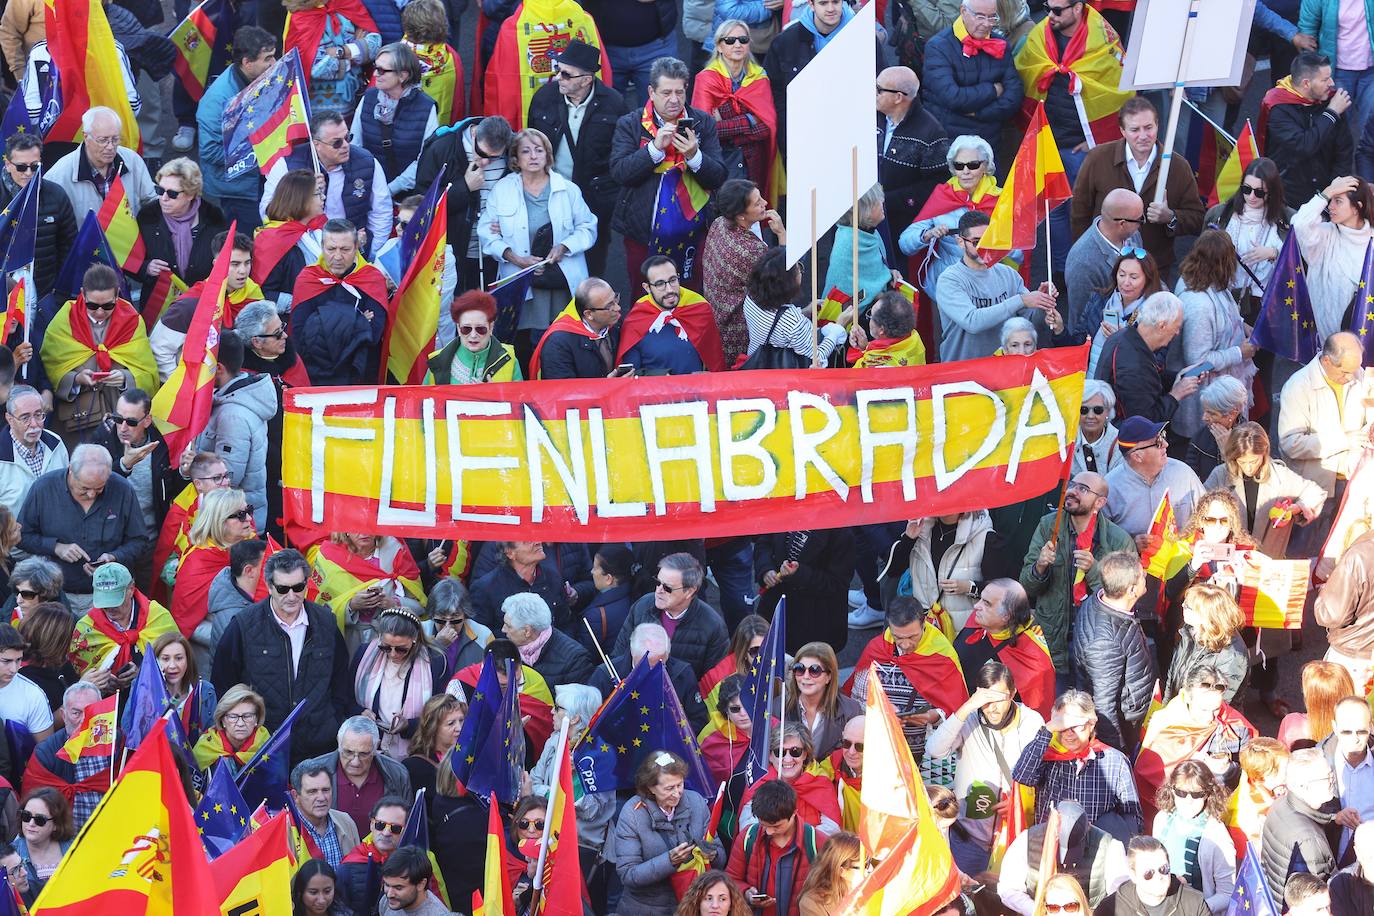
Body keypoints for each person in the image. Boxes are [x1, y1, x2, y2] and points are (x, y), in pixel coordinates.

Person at [1014, 0, 1131, 274]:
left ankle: (1083, 269)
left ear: (1077, 8)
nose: (1049, 15)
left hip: (1081, 148)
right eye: (1046, 7)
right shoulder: (1039, 37)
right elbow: (1023, 72)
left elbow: (1119, 91)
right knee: (1052, 211)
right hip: (1048, 142)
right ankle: (1061, 270)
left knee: (1083, 211)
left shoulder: (1103, 39)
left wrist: (1094, 142)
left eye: (1057, 10)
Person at [212, 549, 358, 765]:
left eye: (298, 587)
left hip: (319, 745)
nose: (292, 596)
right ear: (270, 587)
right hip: (263, 747)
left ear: (306, 584)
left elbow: (340, 680)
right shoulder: (243, 625)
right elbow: (223, 683)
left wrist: (334, 719)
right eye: (283, 589)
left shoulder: (326, 623)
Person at [478, 128, 598, 359]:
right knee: (522, 346)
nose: (533, 156)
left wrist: (564, 246)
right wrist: (515, 257)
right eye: (526, 151)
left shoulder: (568, 189)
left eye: (538, 150)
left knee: (561, 340)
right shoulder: (502, 190)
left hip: (560, 281)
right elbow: (487, 232)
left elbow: (588, 227)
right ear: (515, 158)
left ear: (547, 155)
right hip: (519, 281)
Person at [608, 56, 726, 289]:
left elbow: (719, 176)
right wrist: (653, 150)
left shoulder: (702, 123)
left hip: (695, 232)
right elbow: (620, 173)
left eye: (679, 92)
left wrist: (694, 155)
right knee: (644, 295)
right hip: (643, 232)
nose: (674, 100)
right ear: (651, 92)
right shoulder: (630, 124)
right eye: (666, 93)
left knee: (692, 293)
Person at [928, 660, 1046, 876]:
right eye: (986, 699)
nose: (992, 708)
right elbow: (935, 750)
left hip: (1014, 836)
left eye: (999, 698)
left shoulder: (1032, 722)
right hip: (969, 839)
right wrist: (967, 708)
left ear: (1012, 694)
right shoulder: (969, 719)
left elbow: (1044, 775)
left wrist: (1018, 803)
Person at [526, 40, 627, 279]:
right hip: (550, 192)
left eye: (566, 74)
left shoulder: (614, 105)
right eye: (558, 70)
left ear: (587, 78)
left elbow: (621, 153)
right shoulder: (544, 98)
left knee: (593, 254)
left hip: (594, 195)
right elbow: (531, 142)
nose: (558, 77)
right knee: (546, 252)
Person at [1070, 98, 1205, 272]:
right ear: (1122, 131)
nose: (1143, 136)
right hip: (1104, 267)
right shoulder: (1098, 158)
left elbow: (1197, 218)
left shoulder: (1178, 166)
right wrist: (1086, 258)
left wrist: (1170, 217)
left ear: (1157, 125)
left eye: (1148, 128)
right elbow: (1079, 213)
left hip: (1154, 269)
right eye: (1135, 129)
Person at [1021, 472, 1134, 679]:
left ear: (1099, 502)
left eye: (1083, 489)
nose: (1072, 491)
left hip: (1097, 646)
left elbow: (1126, 599)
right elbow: (1027, 587)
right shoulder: (1049, 526)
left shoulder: (1118, 541)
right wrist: (1039, 566)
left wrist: (1093, 570)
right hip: (1054, 644)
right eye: (1072, 484)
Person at [19, 449, 150, 612]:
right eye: (85, 488)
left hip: (110, 597)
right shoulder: (44, 488)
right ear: (71, 470)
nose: (91, 494)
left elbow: (139, 540)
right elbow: (21, 536)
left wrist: (114, 557)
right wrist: (56, 547)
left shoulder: (122, 489)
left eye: (99, 488)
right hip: (56, 598)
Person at [39, 264, 159, 438]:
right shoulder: (65, 319)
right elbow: (49, 368)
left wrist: (126, 379)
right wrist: (76, 379)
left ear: (118, 294)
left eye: (108, 306)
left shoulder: (132, 320)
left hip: (120, 419)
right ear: (82, 293)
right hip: (78, 419)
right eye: (93, 306)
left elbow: (148, 372)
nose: (100, 312)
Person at [845, 597, 969, 763]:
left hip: (928, 756)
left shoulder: (942, 656)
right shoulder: (877, 649)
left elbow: (959, 711)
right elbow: (857, 698)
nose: (905, 644)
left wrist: (934, 716)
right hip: (879, 750)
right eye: (898, 637)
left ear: (924, 623)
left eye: (912, 636)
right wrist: (879, 714)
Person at [1279, 332, 1373, 546]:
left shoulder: (1357, 375)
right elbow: (1290, 443)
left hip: (1353, 481)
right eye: (1345, 372)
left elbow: (1368, 418)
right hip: (1316, 487)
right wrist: (1344, 440)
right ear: (1327, 360)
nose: (1351, 377)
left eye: (1355, 369)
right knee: (1306, 551)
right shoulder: (1298, 386)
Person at [1012, 690, 1144, 840]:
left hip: (1096, 848)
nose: (1069, 733)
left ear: (1091, 724)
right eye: (1062, 726)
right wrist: (1048, 729)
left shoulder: (1115, 761)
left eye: (1076, 725)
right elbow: (1022, 776)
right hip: (1051, 846)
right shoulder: (1046, 755)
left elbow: (1133, 817)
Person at [935, 210, 1061, 362]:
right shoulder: (949, 280)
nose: (984, 248)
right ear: (960, 242)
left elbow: (1028, 323)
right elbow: (972, 322)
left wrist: (1041, 305)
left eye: (989, 240)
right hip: (963, 372)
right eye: (976, 242)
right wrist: (1022, 300)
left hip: (1004, 369)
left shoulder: (1008, 274)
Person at [1137, 665, 1256, 825]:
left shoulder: (1233, 724)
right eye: (1203, 709)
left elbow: (1250, 769)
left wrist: (1228, 770)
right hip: (1173, 811)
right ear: (1187, 697)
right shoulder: (1164, 722)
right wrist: (1191, 767)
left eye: (1216, 709)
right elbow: (1148, 771)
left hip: (1216, 813)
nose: (1209, 717)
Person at [262, 112, 392, 256]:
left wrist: (371, 254)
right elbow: (267, 212)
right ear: (316, 144)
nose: (345, 146)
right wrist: (306, 195)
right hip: (304, 251)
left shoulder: (367, 162)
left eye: (347, 138)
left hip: (353, 253)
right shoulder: (287, 164)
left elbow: (382, 213)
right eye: (336, 142)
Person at [615, 751, 725, 916]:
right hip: (646, 907)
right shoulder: (632, 813)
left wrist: (712, 854)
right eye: (669, 788)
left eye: (680, 785)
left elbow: (721, 859)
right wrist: (669, 861)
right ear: (650, 788)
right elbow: (628, 875)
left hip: (689, 905)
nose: (677, 793)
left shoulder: (695, 802)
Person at [1173, 232, 1256, 443]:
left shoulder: (1206, 280)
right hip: (1203, 405)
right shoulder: (1198, 304)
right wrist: (1240, 353)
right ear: (1222, 263)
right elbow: (1197, 361)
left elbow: (1226, 314)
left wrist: (1242, 325)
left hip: (1218, 391)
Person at [1070, 551, 1157, 751]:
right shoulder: (1104, 643)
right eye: (1142, 575)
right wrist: (1117, 754)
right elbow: (1104, 707)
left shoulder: (1100, 598)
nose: (1146, 577)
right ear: (1132, 590)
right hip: (1127, 723)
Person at [415, 115, 514, 290]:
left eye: (494, 158)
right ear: (475, 134)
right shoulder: (442, 147)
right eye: (482, 153)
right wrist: (465, 187)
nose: (485, 162)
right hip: (452, 254)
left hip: (497, 255)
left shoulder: (512, 151)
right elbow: (423, 203)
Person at [149, 231, 265, 378]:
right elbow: (159, 352)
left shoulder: (252, 295)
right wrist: (184, 390)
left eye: (247, 263)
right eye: (234, 264)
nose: (243, 271)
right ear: (217, 265)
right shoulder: (190, 304)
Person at [288, 220, 390, 386]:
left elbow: (373, 335)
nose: (337, 257)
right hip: (316, 374)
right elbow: (300, 335)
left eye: (345, 249)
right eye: (331, 249)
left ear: (356, 246)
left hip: (359, 374)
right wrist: (357, 320)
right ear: (322, 246)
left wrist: (321, 321)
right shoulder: (308, 279)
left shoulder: (371, 278)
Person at [196, 27, 279, 232]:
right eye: (267, 58)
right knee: (249, 241)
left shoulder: (262, 77)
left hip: (260, 178)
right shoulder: (217, 101)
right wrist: (261, 152)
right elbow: (210, 151)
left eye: (274, 56)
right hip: (237, 190)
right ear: (247, 63)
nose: (274, 63)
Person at [762, 0, 864, 156]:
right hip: (801, 134)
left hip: (849, 131)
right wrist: (786, 129)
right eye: (823, 3)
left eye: (836, 2)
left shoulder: (861, 36)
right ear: (811, 4)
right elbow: (773, 90)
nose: (831, 9)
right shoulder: (786, 41)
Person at [700, 180, 782, 367]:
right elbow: (783, 283)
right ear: (741, 215)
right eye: (757, 203)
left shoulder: (719, 223)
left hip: (715, 324)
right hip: (740, 335)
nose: (765, 203)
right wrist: (782, 235)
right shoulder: (752, 250)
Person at [921, 0, 1023, 151]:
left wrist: (978, 112)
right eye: (980, 17)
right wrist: (993, 90)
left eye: (992, 17)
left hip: (989, 143)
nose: (987, 24)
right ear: (963, 11)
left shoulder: (1000, 43)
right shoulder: (938, 47)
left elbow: (1014, 96)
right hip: (950, 144)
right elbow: (953, 97)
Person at [612, 552, 728, 682]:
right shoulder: (642, 606)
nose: (659, 590)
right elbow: (620, 655)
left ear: (689, 591)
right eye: (658, 582)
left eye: (667, 588)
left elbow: (712, 684)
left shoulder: (713, 626)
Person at [349, 608, 447, 759]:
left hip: (417, 752)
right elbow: (344, 698)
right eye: (385, 647)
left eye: (401, 649)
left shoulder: (435, 662)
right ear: (380, 637)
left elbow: (443, 711)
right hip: (370, 750)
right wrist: (360, 712)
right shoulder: (364, 653)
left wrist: (410, 725)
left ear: (415, 640)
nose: (393, 654)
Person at [998, 801, 1128, 914]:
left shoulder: (1110, 847)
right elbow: (1008, 889)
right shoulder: (1026, 841)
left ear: (1088, 828)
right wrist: (1038, 911)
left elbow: (1120, 895)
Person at [293, 717, 413, 840]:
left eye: (364, 754)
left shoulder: (397, 774)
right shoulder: (314, 772)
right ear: (339, 742)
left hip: (383, 857)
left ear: (376, 747)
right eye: (348, 752)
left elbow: (408, 828)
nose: (355, 762)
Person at [1260, 52, 1355, 205]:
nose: (1331, 83)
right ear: (1306, 83)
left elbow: (1344, 150)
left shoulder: (1332, 100)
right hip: (1289, 197)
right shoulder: (1278, 107)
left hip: (1328, 192)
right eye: (1325, 79)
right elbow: (1303, 145)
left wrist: (1335, 190)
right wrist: (1331, 113)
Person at [693, 21, 777, 193]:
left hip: (753, 162)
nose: (737, 44)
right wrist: (750, 120)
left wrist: (726, 126)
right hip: (721, 161)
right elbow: (705, 130)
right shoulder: (706, 79)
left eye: (743, 39)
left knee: (753, 212)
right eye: (730, 40)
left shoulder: (759, 77)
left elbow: (766, 128)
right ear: (719, 46)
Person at [1095, 292, 1202, 426]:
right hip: (1124, 442)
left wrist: (1178, 377)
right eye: (1176, 327)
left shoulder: (1123, 336)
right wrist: (1176, 394)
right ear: (1162, 326)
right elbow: (1144, 423)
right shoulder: (1134, 367)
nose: (1177, 333)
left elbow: (1148, 379)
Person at [952, 579, 1054, 719]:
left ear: (1007, 615)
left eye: (986, 603)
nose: (976, 606)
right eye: (981, 599)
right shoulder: (978, 623)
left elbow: (1036, 715)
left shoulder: (1033, 659)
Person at [134, 158, 227, 307]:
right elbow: (130, 260)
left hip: (203, 304)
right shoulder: (147, 217)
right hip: (158, 308)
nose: (163, 198)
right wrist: (146, 267)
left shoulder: (214, 218)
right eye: (159, 190)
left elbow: (225, 265)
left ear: (191, 194)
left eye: (172, 194)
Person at [726, 778, 825, 916]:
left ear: (794, 813)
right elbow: (730, 880)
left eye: (776, 826)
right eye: (764, 825)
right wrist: (746, 893)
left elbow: (829, 890)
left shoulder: (817, 842)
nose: (769, 832)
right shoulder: (747, 837)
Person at [874, 67, 951, 242]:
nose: (874, 93)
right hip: (865, 216)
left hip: (899, 225)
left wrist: (887, 201)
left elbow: (935, 184)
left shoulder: (931, 133)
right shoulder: (868, 117)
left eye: (879, 89)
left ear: (898, 97)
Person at [89, 389, 180, 536]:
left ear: (147, 421)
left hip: (153, 537)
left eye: (131, 422)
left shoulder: (162, 443)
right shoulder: (103, 437)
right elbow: (89, 485)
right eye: (118, 419)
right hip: (112, 538)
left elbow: (173, 491)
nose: (123, 428)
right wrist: (123, 466)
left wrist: (185, 474)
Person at [350, 43, 438, 197]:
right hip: (368, 191)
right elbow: (354, 146)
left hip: (406, 200)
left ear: (402, 76)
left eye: (382, 70)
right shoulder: (368, 98)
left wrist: (389, 190)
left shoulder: (426, 107)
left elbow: (424, 161)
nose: (375, 74)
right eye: (375, 67)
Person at [1102, 417, 1207, 544]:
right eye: (1157, 442)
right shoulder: (1110, 487)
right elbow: (1102, 539)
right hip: (1133, 561)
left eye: (1162, 436)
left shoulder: (1184, 473)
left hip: (1186, 559)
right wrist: (1130, 544)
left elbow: (1208, 515)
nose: (1165, 444)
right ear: (1137, 456)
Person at [1150, 760, 1237, 914]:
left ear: (1207, 795)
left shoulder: (1217, 836)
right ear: (1171, 790)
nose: (1188, 800)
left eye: (1197, 794)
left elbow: (1227, 893)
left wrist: (1195, 910)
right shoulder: (1162, 819)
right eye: (1181, 793)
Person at [1205, 158, 1293, 307]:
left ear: (1271, 192)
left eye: (1259, 192)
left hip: (1263, 304)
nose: (1251, 196)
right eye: (1246, 189)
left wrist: (1274, 253)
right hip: (1220, 298)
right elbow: (1201, 257)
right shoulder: (1220, 214)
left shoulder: (1288, 220)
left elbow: (1299, 263)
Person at [617, 255, 727, 375]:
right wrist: (660, 377)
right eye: (660, 284)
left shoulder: (699, 308)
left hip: (697, 391)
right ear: (647, 288)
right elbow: (630, 376)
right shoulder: (636, 320)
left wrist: (709, 376)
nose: (669, 289)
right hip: (656, 392)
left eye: (673, 280)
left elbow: (715, 361)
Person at [1294, 177, 1374, 340]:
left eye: (1338, 201)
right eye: (1330, 201)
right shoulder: (1323, 236)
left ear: (1357, 207)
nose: (1330, 206)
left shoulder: (1372, 238)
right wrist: (1326, 193)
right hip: (1328, 347)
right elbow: (1300, 224)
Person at [44, 107, 155, 222]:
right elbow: (50, 223)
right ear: (86, 137)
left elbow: (151, 203)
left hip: (129, 239)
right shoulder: (58, 175)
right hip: (84, 240)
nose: (110, 146)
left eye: (115, 139)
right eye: (103, 140)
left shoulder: (133, 161)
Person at [755, 525, 855, 652]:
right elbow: (764, 542)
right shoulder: (783, 508)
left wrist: (800, 574)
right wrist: (766, 569)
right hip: (775, 613)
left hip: (813, 624)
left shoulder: (840, 530)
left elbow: (837, 583)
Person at [743, 246, 849, 365]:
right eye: (798, 270)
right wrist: (837, 328)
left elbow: (778, 323)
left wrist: (806, 311)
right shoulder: (793, 320)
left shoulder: (751, 297)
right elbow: (818, 356)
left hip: (756, 361)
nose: (801, 272)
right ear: (787, 283)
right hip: (784, 373)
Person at [0, 135, 75, 298]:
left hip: (45, 294)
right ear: (7, 165)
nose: (28, 173)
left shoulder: (57, 195)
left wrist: (59, 293)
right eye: (21, 167)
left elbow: (69, 249)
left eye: (35, 166)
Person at [1260, 747, 1340, 898]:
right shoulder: (1308, 839)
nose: (1333, 781)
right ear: (1303, 786)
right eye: (1327, 778)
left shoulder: (1280, 804)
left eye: (1332, 775)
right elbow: (1315, 896)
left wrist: (1333, 819)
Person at [23, 682, 106, 826]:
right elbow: (33, 807)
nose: (84, 721)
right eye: (76, 713)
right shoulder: (46, 752)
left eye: (91, 712)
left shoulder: (117, 746)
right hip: (64, 838)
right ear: (63, 714)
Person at [1065, 189, 1146, 329]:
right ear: (1122, 224)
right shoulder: (1083, 265)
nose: (1142, 222)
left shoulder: (1132, 235)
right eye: (1140, 219)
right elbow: (1081, 323)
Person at [1165, 582, 1249, 704]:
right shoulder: (1189, 631)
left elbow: (1216, 704)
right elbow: (1172, 674)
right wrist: (1166, 706)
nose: (1182, 605)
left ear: (1205, 615)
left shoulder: (1233, 656)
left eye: (1188, 606)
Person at [528, 278, 624, 380]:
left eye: (615, 299)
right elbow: (561, 390)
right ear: (589, 314)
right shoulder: (557, 344)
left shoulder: (615, 325)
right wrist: (607, 386)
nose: (618, 308)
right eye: (609, 306)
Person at [1095, 835, 1212, 916]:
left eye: (1163, 869)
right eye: (1148, 873)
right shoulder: (1110, 909)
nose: (1159, 876)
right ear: (1133, 875)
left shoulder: (1194, 903)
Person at [468, 541, 572, 632]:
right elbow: (481, 637)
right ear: (509, 552)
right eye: (527, 541)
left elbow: (564, 624)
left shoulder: (553, 578)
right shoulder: (485, 588)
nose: (538, 541)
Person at [781, 643, 862, 759]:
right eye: (800, 669)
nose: (806, 676)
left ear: (829, 676)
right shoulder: (778, 707)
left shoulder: (851, 711)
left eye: (814, 670)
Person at [500, 592, 595, 689]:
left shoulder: (575, 660)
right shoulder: (506, 649)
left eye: (508, 626)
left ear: (527, 631)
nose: (503, 630)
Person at [424, 290, 521, 384]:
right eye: (466, 329)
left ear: (491, 327)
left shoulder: (509, 359)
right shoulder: (438, 361)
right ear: (458, 328)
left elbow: (521, 399)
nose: (473, 335)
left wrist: (497, 395)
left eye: (480, 329)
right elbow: (423, 399)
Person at [0, 385, 68, 519]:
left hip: (55, 534)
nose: (34, 424)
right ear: (10, 419)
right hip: (13, 537)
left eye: (38, 415)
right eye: (25, 418)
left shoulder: (56, 443)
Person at [337, 795, 409, 913]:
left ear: (406, 830)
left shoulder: (416, 864)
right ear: (371, 824)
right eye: (380, 825)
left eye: (395, 828)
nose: (386, 833)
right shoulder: (349, 866)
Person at [292, 764, 363, 871]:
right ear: (296, 796)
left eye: (325, 790)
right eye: (312, 792)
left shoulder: (346, 822)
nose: (321, 798)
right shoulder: (284, 831)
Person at [192, 684, 269, 771]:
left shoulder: (269, 747)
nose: (240, 723)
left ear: (257, 719)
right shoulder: (205, 748)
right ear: (222, 720)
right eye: (233, 716)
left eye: (247, 716)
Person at [17, 602, 77, 712]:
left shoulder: (60, 663)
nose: (73, 641)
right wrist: (79, 694)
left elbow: (73, 683)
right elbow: (45, 726)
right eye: (69, 637)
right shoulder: (22, 679)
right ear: (55, 641)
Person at [13, 787, 72, 897]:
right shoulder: (10, 855)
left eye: (40, 819)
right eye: (26, 816)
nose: (31, 823)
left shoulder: (75, 849)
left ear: (56, 824)